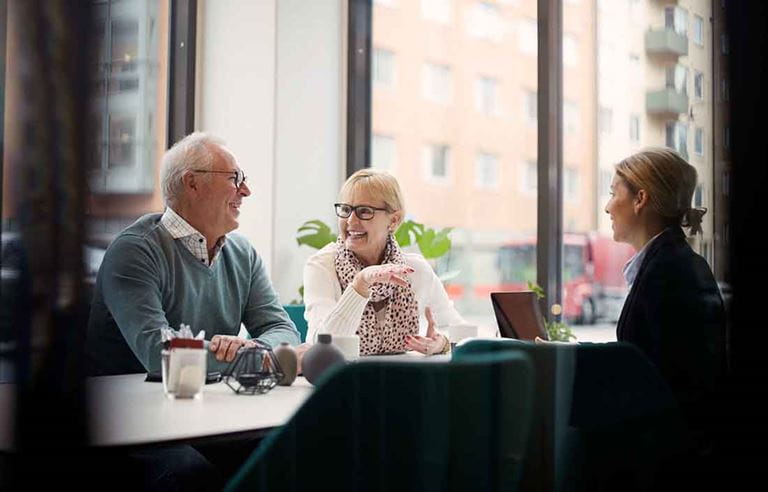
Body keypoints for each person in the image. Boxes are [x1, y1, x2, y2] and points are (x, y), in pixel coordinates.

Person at [86, 132, 300, 376]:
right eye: (234, 178)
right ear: (192, 183)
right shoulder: (134, 251)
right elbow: (161, 356)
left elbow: (283, 330)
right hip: (130, 407)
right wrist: (260, 359)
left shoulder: (243, 254)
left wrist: (254, 349)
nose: (246, 190)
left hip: (205, 399)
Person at [606, 147, 726, 479]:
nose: (607, 206)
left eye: (613, 193)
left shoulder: (668, 271)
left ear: (639, 198)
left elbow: (654, 379)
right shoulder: (671, 262)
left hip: (669, 464)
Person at [303, 169, 467, 356]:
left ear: (394, 220)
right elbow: (323, 346)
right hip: (341, 379)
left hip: (401, 378)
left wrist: (442, 342)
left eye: (364, 211)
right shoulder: (322, 266)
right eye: (346, 210)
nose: (350, 220)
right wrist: (360, 284)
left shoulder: (415, 270)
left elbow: (460, 331)